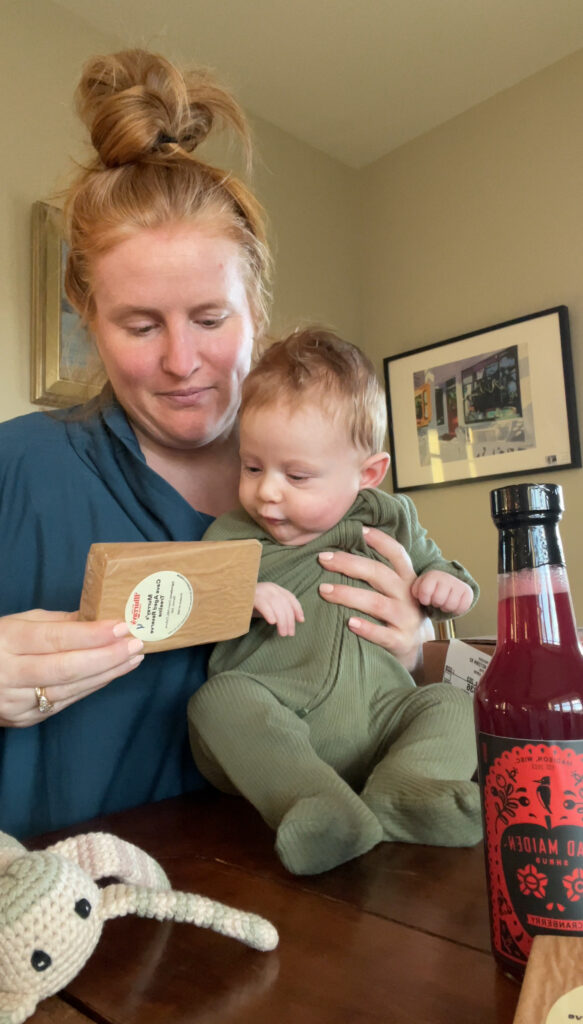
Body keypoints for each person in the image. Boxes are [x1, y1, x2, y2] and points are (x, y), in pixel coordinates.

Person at [0, 51, 430, 840]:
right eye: (138, 325)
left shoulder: (337, 493)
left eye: (209, 319)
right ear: (87, 316)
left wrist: (403, 649)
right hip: (61, 924)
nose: (180, 360)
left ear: (257, 311)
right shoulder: (17, 469)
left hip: (307, 906)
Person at [188, 328, 481, 875]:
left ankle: (406, 789)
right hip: (273, 719)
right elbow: (194, 602)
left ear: (367, 474)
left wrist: (446, 584)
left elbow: (436, 567)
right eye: (252, 467)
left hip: (380, 718)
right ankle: (313, 806)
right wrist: (242, 595)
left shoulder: (389, 518)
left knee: (455, 705)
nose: (267, 491)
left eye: (296, 475)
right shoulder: (231, 535)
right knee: (216, 699)